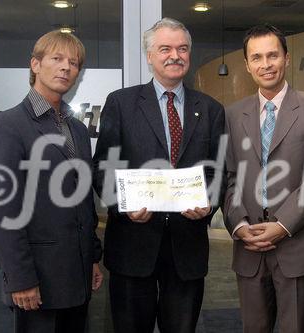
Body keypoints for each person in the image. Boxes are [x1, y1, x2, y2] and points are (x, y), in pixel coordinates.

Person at [92, 18, 225, 333]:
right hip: (131, 245)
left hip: (187, 248)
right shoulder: (121, 103)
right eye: (165, 48)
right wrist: (123, 204)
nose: (174, 55)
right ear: (149, 56)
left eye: (182, 49)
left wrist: (209, 204)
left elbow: (220, 171)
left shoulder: (210, 109)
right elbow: (102, 167)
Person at [0, 30, 103, 333]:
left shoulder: (77, 129)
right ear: (35, 65)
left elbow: (83, 200)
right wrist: (20, 278)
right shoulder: (7, 126)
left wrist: (92, 257)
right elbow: (3, 211)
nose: (66, 68)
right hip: (36, 282)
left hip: (77, 278)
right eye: (57, 59)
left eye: (74, 63)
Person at [223, 24, 304, 333]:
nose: (266, 64)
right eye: (257, 57)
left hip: (298, 243)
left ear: (287, 58)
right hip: (250, 248)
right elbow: (230, 177)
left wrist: (282, 225)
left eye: (273, 55)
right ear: (247, 65)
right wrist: (239, 224)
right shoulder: (234, 114)